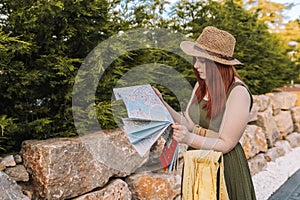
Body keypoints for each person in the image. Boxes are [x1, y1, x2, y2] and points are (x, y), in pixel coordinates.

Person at [154, 26, 256, 199]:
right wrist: (162, 104)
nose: (195, 65)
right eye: (195, 59)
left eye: (202, 61)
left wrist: (188, 139)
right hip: (196, 161)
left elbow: (226, 144)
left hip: (223, 167)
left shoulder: (238, 92)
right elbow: (190, 125)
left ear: (219, 64)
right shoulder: (202, 85)